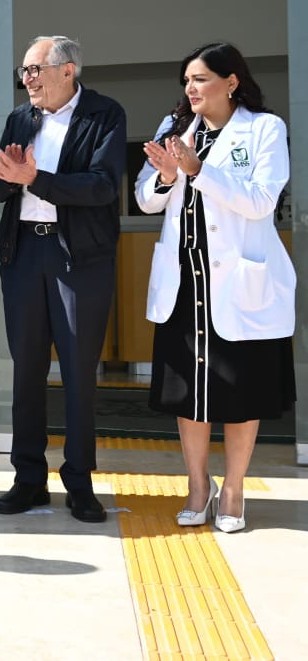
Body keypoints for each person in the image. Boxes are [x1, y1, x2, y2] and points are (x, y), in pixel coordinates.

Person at [135, 42, 295, 534]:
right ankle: (198, 486)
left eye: (201, 79)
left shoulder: (264, 128)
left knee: (241, 390)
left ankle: (234, 489)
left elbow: (262, 201)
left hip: (239, 281)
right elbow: (145, 201)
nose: (191, 89)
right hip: (186, 282)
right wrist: (164, 179)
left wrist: (199, 171)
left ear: (231, 82)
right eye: (187, 80)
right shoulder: (175, 129)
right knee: (191, 393)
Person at [0, 35, 126, 523]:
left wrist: (34, 179)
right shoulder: (22, 117)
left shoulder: (104, 114)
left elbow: (103, 186)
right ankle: (28, 480)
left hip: (79, 258)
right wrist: (9, 176)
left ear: (68, 71)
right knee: (26, 370)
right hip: (23, 252)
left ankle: (80, 483)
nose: (27, 79)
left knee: (79, 371)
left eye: (35, 69)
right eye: (24, 71)